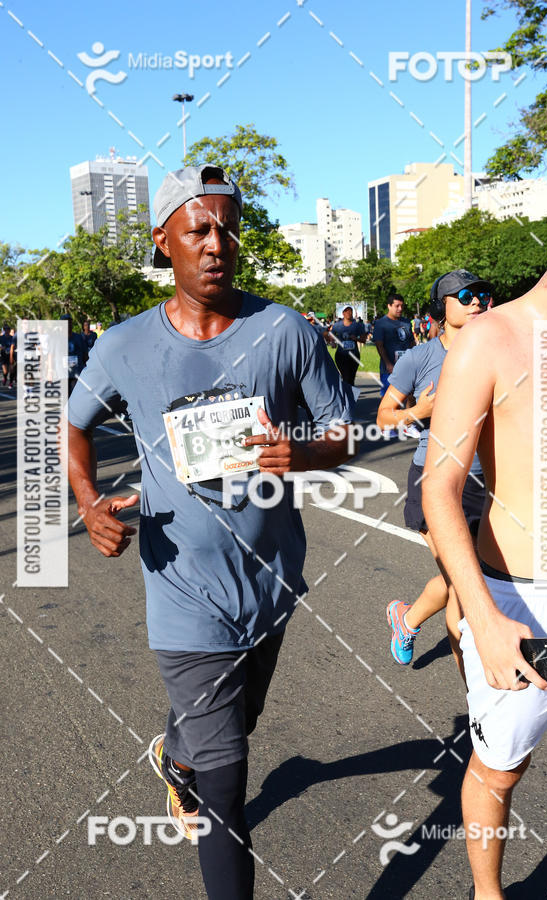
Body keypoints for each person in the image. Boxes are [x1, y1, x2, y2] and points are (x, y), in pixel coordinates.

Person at [67, 164, 352, 900]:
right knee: (228, 795)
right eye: (200, 230)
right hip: (183, 596)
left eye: (229, 227)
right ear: (165, 241)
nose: (218, 244)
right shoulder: (126, 345)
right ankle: (198, 771)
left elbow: (341, 432)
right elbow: (70, 425)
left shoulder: (284, 329)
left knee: (237, 724)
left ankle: (178, 754)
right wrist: (90, 500)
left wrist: (307, 451)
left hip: (271, 582)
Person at [422, 174, 547, 899]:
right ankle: (488, 895)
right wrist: (485, 620)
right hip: (527, 601)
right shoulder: (489, 339)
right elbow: (438, 487)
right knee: (501, 767)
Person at [377, 271, 492, 668]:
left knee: (466, 576)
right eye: (464, 295)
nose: (476, 301)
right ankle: (476, 701)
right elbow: (384, 418)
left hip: (486, 480)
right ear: (440, 306)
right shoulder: (419, 357)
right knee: (464, 583)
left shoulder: (496, 350)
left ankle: (406, 619)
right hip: (434, 478)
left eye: (482, 294)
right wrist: (418, 412)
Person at [372, 293, 415, 395]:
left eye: (402, 306)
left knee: (411, 395)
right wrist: (388, 364)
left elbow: (411, 342)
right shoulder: (381, 323)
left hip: (406, 366)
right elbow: (379, 345)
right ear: (389, 306)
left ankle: (409, 411)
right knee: (389, 396)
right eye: (397, 306)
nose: (400, 309)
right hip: (389, 369)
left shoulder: (406, 322)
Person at [330, 305, 367, 385]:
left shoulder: (358, 325)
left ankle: (350, 395)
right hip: (341, 355)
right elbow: (331, 336)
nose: (349, 313)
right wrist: (333, 343)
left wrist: (356, 338)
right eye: (346, 311)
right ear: (343, 313)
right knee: (345, 377)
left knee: (351, 378)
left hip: (354, 355)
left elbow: (364, 340)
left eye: (350, 311)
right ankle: (347, 395)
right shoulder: (337, 325)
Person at [60, 313, 87, 396]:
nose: (68, 324)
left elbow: (85, 354)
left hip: (76, 372)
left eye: (69, 322)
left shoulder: (78, 337)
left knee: (75, 395)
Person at [0, 323, 13, 387]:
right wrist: (2, 347)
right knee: (5, 371)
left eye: (8, 329)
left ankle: (10, 382)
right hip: (3, 355)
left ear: (10, 330)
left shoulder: (12, 338)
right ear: (4, 330)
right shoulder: (1, 337)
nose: (7, 330)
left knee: (11, 370)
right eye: (5, 329)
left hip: (11, 355)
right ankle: (5, 378)